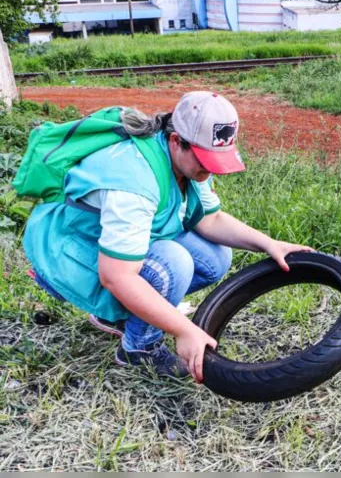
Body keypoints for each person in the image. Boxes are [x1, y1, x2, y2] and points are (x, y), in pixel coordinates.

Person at [23, 91, 313, 383]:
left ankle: (121, 316)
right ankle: (139, 349)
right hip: (69, 249)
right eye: (205, 160)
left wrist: (268, 243)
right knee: (174, 263)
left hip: (116, 243)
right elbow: (117, 276)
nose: (210, 170)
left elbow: (210, 220)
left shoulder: (186, 162)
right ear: (177, 141)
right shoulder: (134, 181)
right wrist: (184, 330)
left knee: (215, 257)